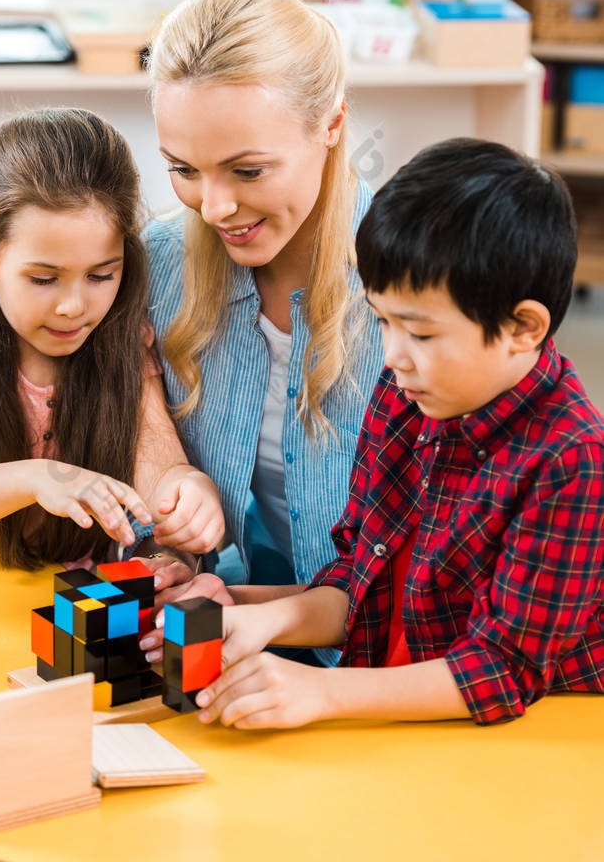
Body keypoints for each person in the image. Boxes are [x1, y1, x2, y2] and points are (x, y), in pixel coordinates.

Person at [188, 137, 604, 728]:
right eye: (382, 321)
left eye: (421, 333)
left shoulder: (574, 461)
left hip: (519, 744)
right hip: (399, 722)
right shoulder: (406, 396)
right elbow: (359, 575)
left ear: (522, 327)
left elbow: (501, 671)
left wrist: (323, 693)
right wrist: (262, 614)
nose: (393, 355)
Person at [136, 0, 384, 666]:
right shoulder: (160, 263)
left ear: (330, 124)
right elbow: (118, 394)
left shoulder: (418, 281)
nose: (213, 207)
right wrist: (167, 538)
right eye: (183, 170)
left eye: (246, 169)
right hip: (240, 649)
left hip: (385, 671)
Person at [0, 107, 224, 570]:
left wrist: (184, 497)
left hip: (66, 603)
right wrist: (38, 478)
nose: (73, 307)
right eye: (43, 279)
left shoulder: (124, 342)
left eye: (101, 275)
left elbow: (159, 470)